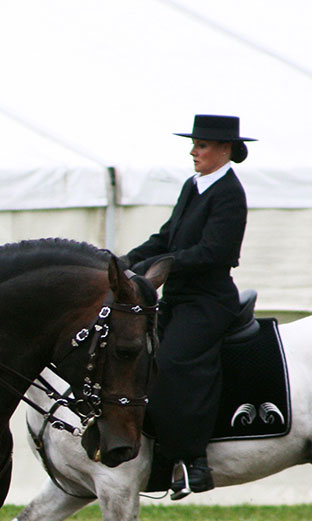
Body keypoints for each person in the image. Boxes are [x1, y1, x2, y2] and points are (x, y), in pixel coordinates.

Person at [122, 114, 254, 499]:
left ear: (224, 149)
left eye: (202, 145)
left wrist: (164, 265)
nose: (194, 151)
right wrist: (125, 261)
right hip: (178, 298)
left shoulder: (229, 192)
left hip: (209, 300)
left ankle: (195, 460)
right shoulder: (193, 185)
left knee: (176, 363)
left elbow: (217, 251)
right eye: (194, 144)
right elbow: (166, 237)